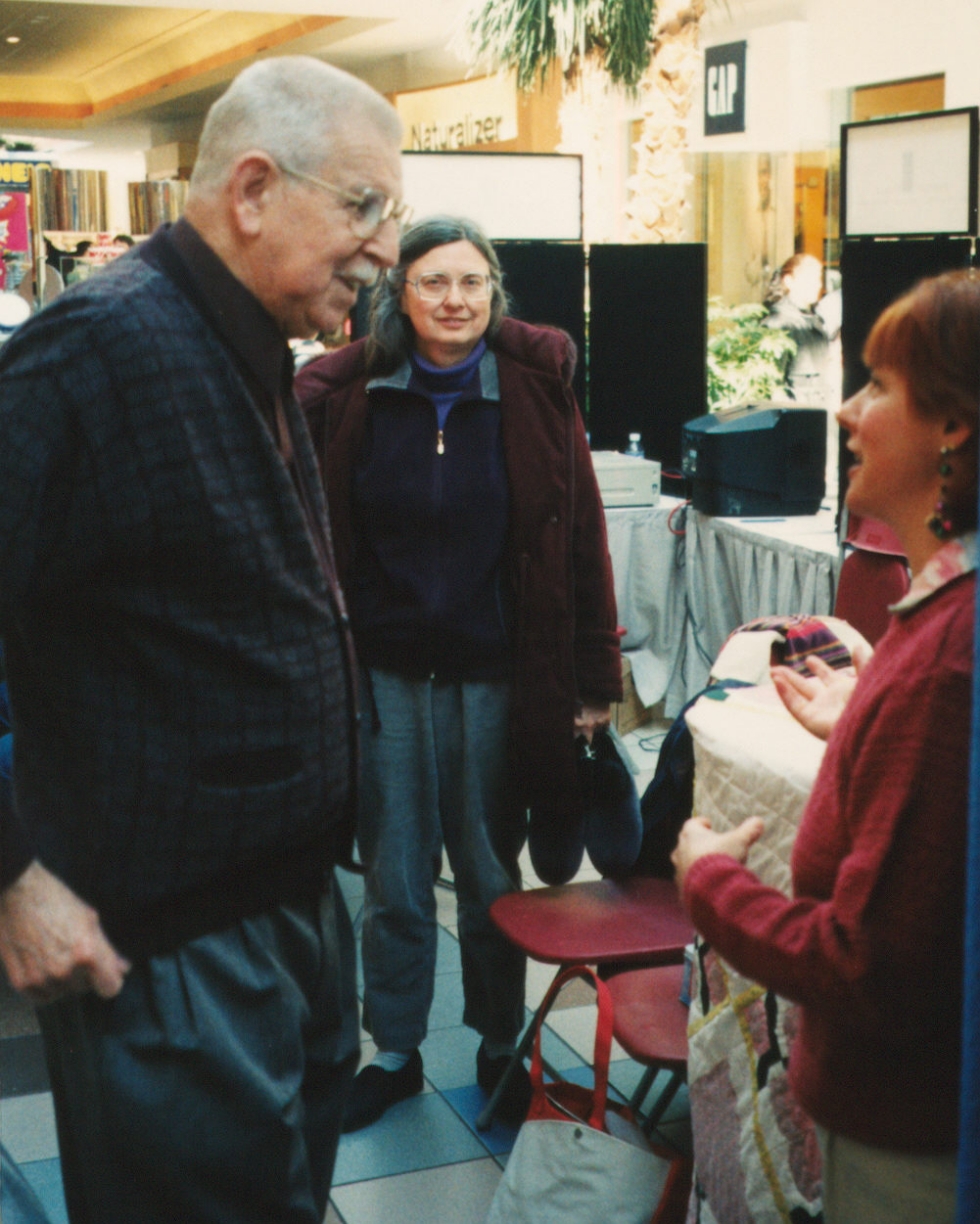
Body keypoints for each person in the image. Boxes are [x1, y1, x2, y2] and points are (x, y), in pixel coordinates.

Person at [0, 56, 404, 1224]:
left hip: (281, 915)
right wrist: (14, 877)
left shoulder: (252, 347)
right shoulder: (93, 350)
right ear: (252, 189)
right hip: (166, 949)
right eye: (363, 208)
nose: (384, 249)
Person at [296, 215, 622, 1131]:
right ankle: (393, 1050)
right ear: (397, 295)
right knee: (394, 878)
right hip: (386, 679)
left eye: (473, 283)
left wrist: (594, 680)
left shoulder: (532, 393)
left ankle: (497, 1045)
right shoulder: (353, 397)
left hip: (498, 678)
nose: (455, 300)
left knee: (490, 876)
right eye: (434, 282)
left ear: (494, 295)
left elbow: (584, 540)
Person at [672, 268, 979, 1224]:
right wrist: (863, 724)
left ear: (953, 426)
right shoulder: (946, 621)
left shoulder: (949, 655)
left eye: (879, 384)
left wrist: (711, 883)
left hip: (909, 1148)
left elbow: (869, 968)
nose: (846, 411)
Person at [764, 252, 831, 404]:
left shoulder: (816, 320)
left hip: (819, 410)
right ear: (789, 281)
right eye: (810, 278)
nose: (818, 284)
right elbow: (773, 387)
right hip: (797, 414)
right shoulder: (777, 324)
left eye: (818, 278)